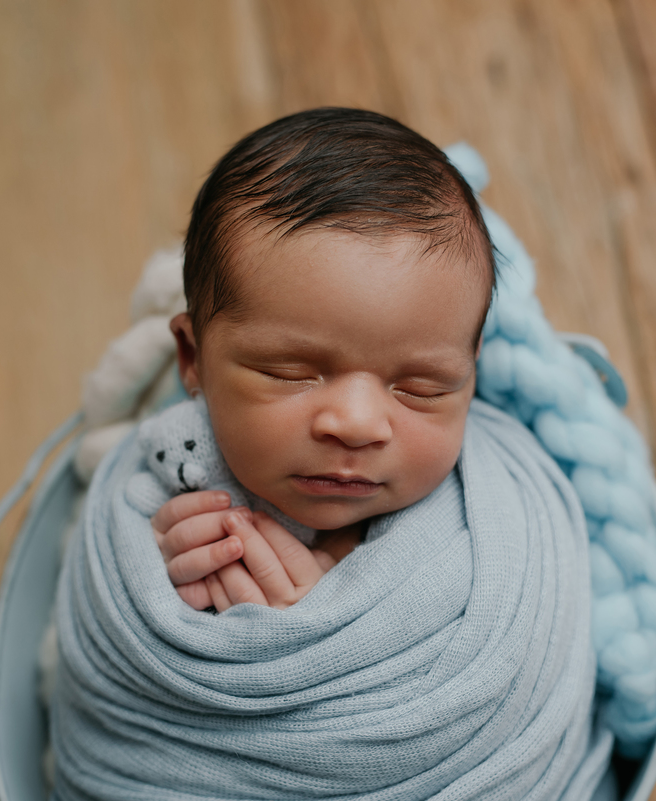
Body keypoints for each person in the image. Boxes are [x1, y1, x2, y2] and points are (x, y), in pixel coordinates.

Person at [149, 107, 495, 613]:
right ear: (193, 357)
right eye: (288, 373)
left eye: (422, 388)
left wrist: (327, 634)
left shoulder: (490, 530)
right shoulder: (177, 480)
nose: (356, 425)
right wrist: (156, 562)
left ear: (470, 375)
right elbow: (110, 619)